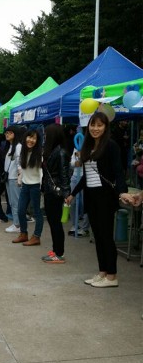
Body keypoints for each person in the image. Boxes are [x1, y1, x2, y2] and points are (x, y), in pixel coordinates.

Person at [65, 112, 128, 287]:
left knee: (106, 237)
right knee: (98, 237)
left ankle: (112, 276)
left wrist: (122, 192)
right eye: (93, 125)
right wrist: (73, 194)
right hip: (91, 197)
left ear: (106, 127)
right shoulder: (88, 146)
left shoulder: (111, 146)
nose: (95, 128)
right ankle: (102, 272)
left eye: (100, 125)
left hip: (105, 197)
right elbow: (87, 176)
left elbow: (118, 172)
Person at [41, 124, 71, 263]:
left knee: (56, 223)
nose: (45, 137)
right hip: (50, 190)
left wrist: (66, 194)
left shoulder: (61, 152)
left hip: (56, 192)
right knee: (53, 222)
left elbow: (64, 175)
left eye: (46, 135)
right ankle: (56, 251)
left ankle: (59, 253)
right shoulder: (53, 150)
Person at [12, 129, 44, 246]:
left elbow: (41, 172)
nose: (31, 140)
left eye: (34, 138)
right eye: (29, 137)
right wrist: (20, 179)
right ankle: (23, 234)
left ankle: (36, 236)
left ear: (37, 140)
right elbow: (22, 168)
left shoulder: (40, 154)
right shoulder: (23, 152)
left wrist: (41, 187)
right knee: (20, 210)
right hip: (25, 185)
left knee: (37, 212)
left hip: (36, 186)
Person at [3, 126, 23, 233]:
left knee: (15, 202)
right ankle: (16, 223)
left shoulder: (18, 146)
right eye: (6, 133)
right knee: (12, 202)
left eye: (10, 133)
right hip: (9, 177)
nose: (7, 134)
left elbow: (19, 162)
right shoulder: (10, 146)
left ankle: (17, 224)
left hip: (14, 178)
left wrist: (19, 176)